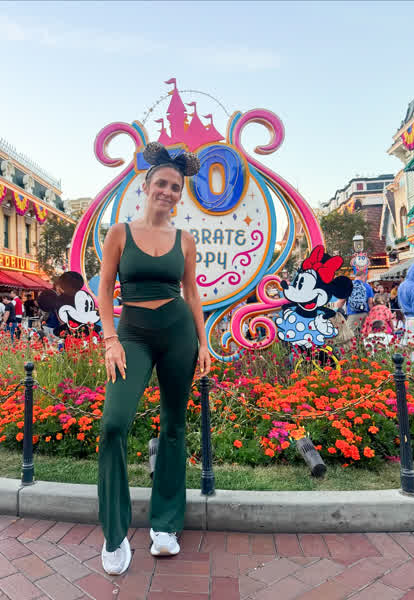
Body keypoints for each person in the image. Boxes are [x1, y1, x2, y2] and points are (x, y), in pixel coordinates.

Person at [97, 142, 210, 575]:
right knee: (114, 424)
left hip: (179, 334)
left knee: (174, 425)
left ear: (180, 194)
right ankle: (114, 533)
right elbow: (105, 289)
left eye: (175, 187)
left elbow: (192, 293)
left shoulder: (185, 240)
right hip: (132, 335)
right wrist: (110, 339)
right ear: (145, 187)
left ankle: (165, 524)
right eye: (161, 183)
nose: (167, 191)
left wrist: (204, 343)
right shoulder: (119, 233)